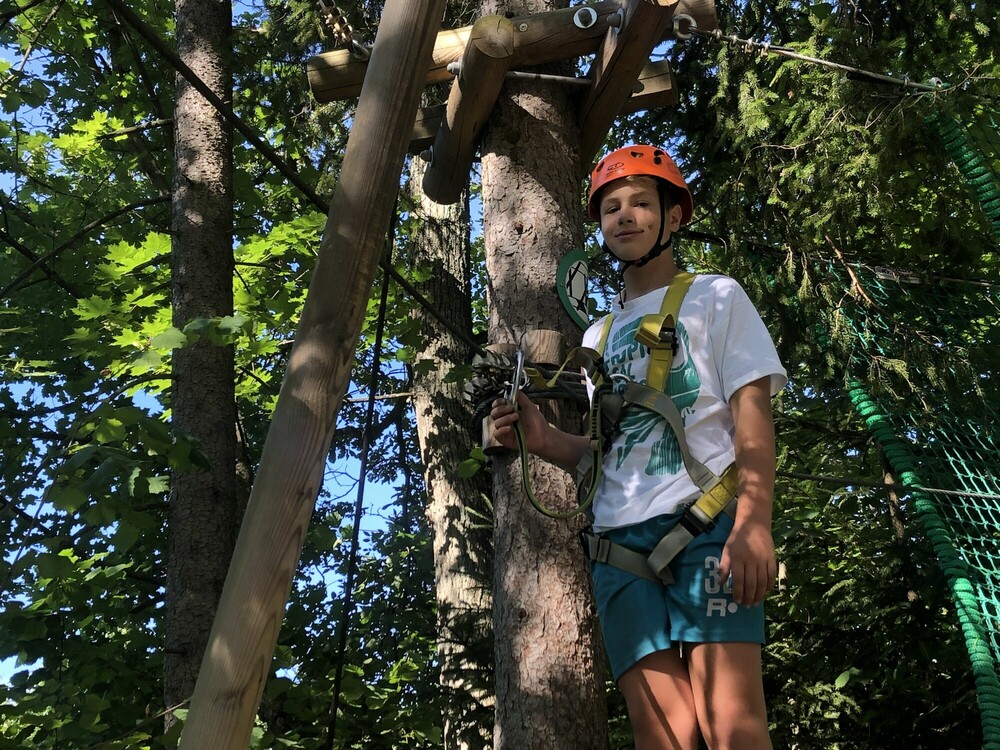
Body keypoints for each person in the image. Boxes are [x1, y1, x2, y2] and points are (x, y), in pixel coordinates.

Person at [489, 144, 787, 749]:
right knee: (663, 737)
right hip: (617, 545)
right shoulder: (600, 334)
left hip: (704, 524)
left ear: (673, 216)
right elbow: (611, 452)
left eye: (642, 203)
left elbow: (752, 419)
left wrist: (754, 522)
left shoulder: (716, 297)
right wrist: (540, 438)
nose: (625, 215)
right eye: (611, 208)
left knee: (732, 726)